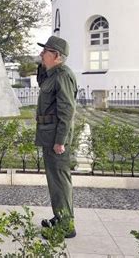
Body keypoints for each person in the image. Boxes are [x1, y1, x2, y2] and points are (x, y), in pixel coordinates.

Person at [35, 36, 77, 238]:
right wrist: (42, 63)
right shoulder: (52, 74)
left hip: (56, 139)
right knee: (55, 180)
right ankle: (60, 217)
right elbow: (42, 80)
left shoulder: (63, 76)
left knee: (60, 181)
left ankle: (66, 225)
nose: (42, 54)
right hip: (49, 135)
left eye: (46, 51)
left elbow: (67, 110)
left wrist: (60, 140)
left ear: (57, 56)